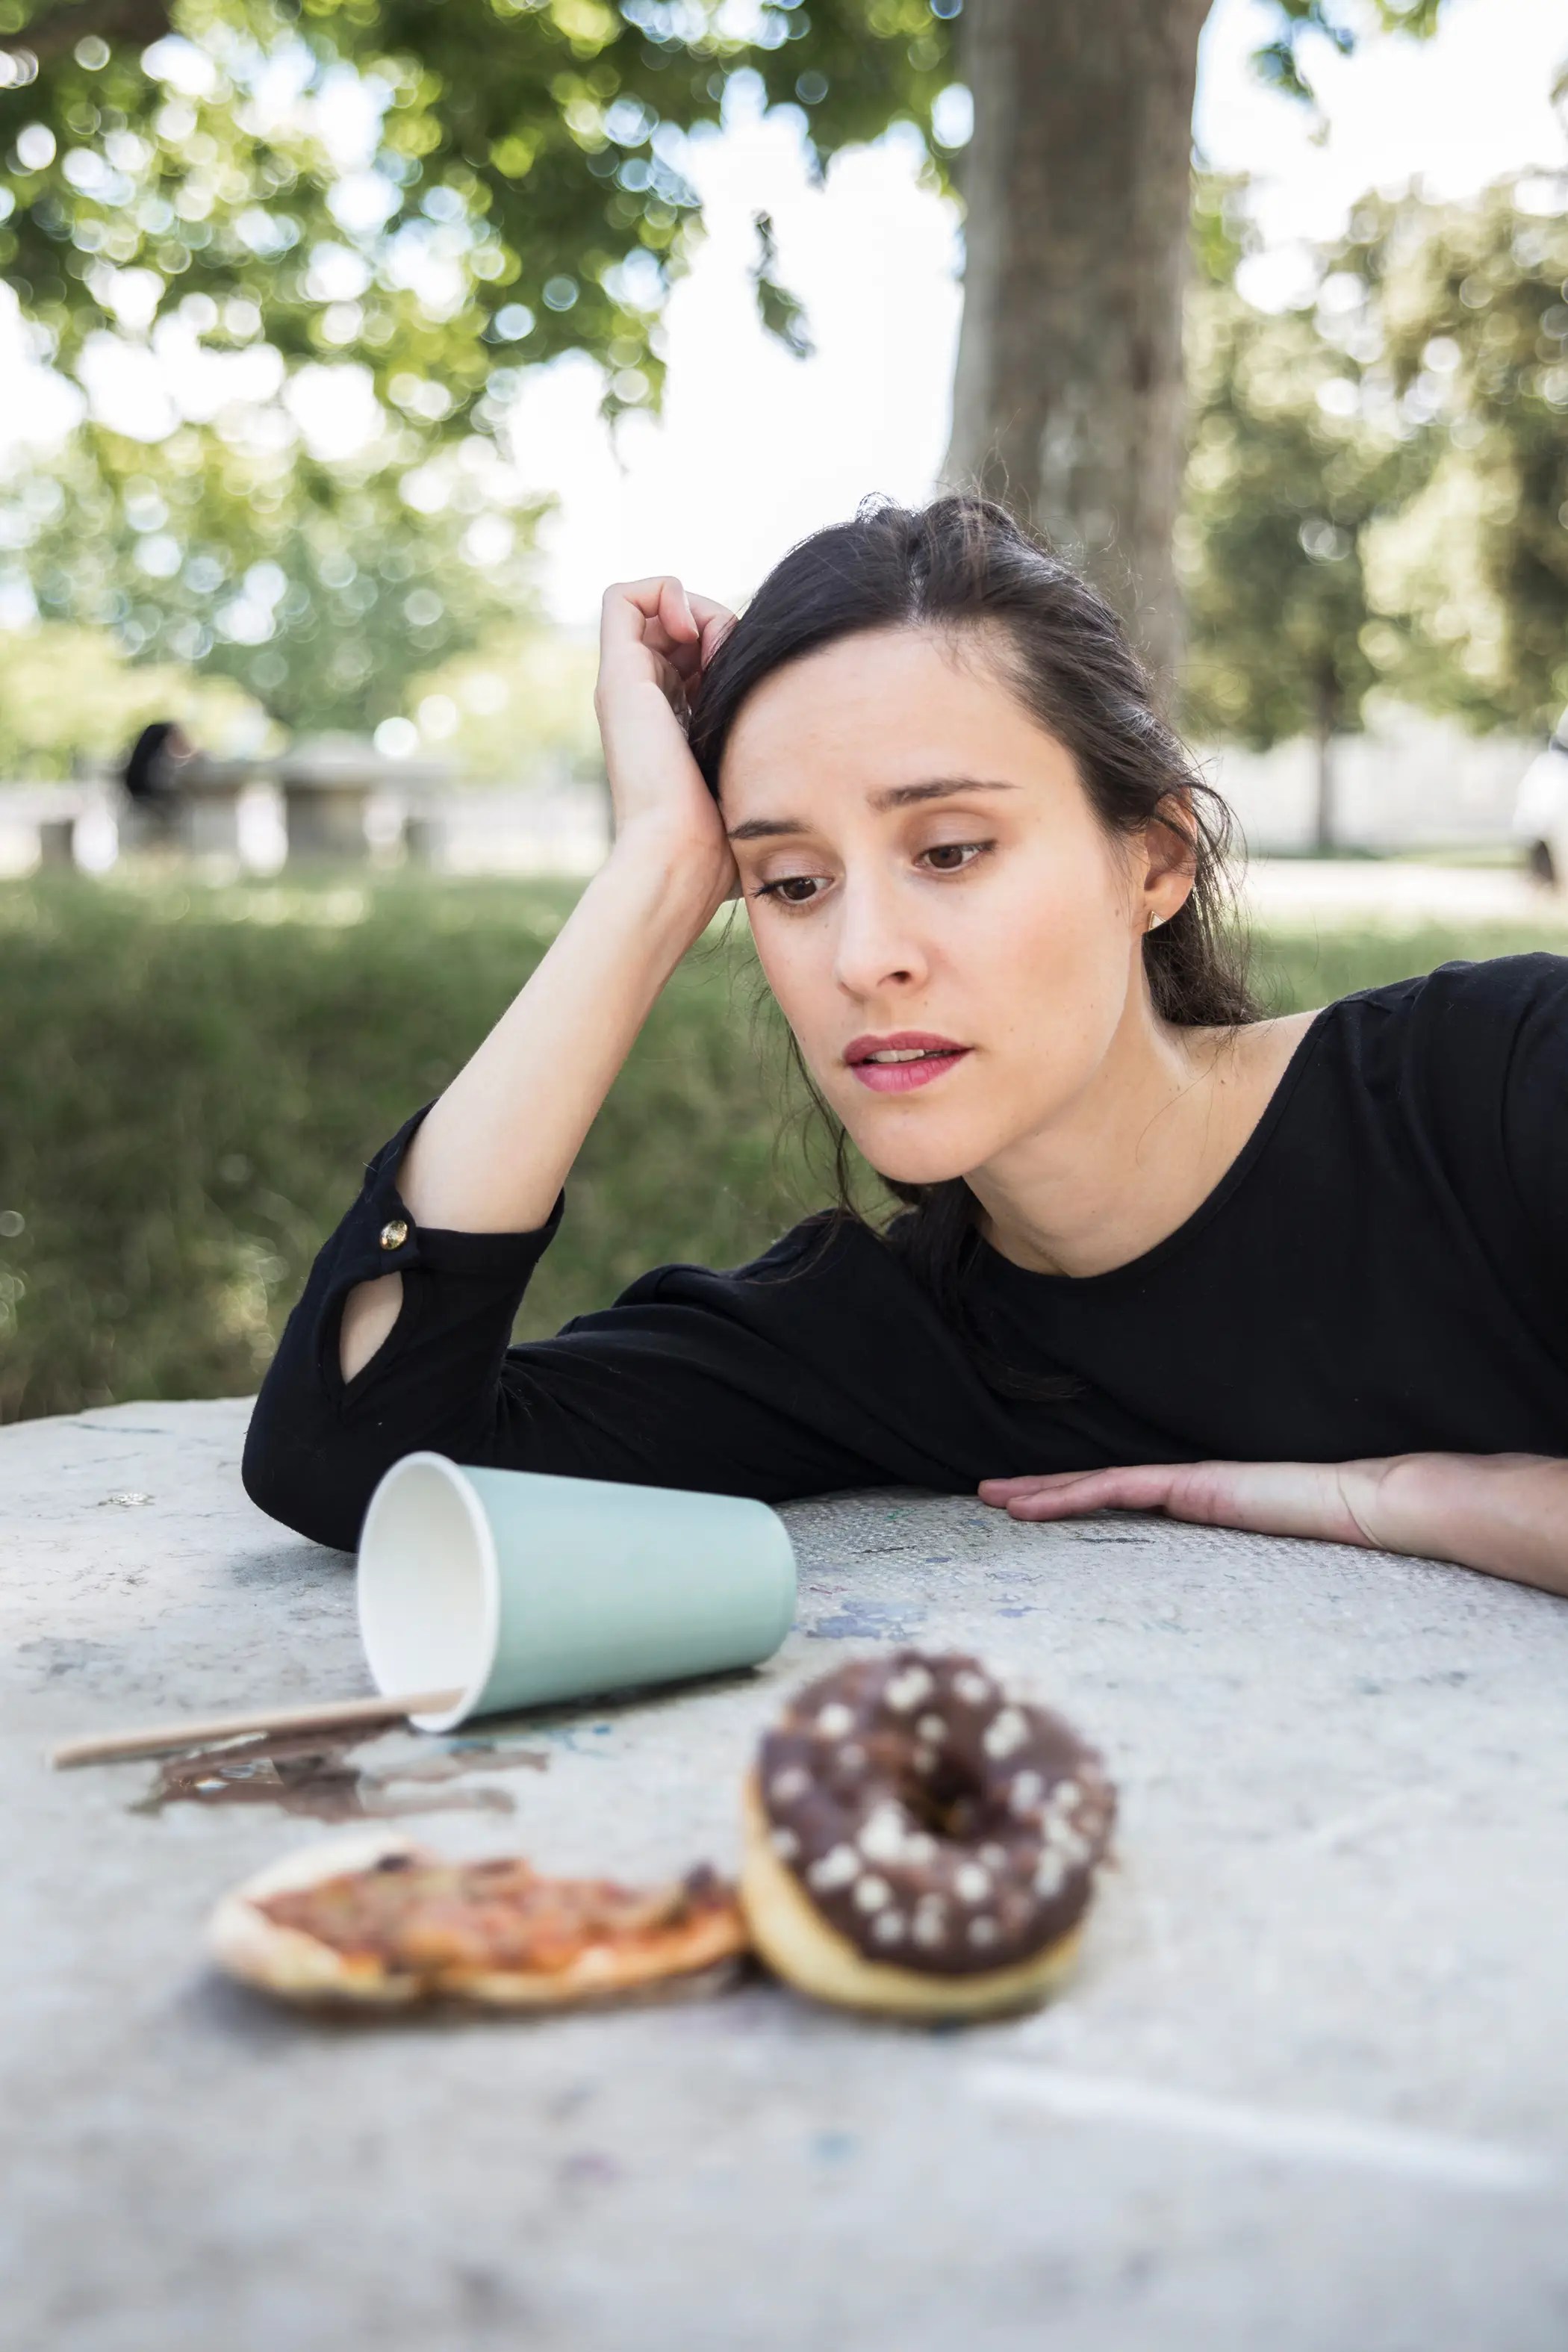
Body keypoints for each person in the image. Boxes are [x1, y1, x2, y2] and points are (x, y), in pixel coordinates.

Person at [242, 496, 1568, 1598]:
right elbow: (354, 1452)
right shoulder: (885, 1350)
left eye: (948, 851)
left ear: (1154, 859)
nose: (863, 955)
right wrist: (653, 877)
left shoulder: (1502, 1090)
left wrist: (1415, 1499)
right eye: (790, 883)